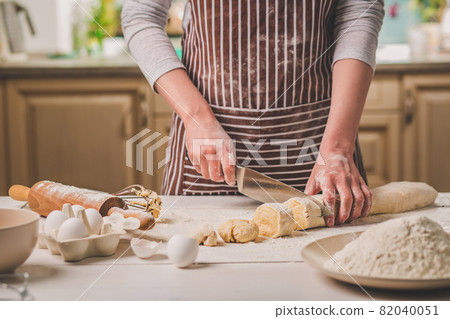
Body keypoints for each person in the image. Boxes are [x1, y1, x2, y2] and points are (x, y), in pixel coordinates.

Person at [122, 0, 385, 227]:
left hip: (323, 153)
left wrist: (337, 146)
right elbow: (141, 15)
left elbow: (359, 12)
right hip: (207, 157)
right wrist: (196, 118)